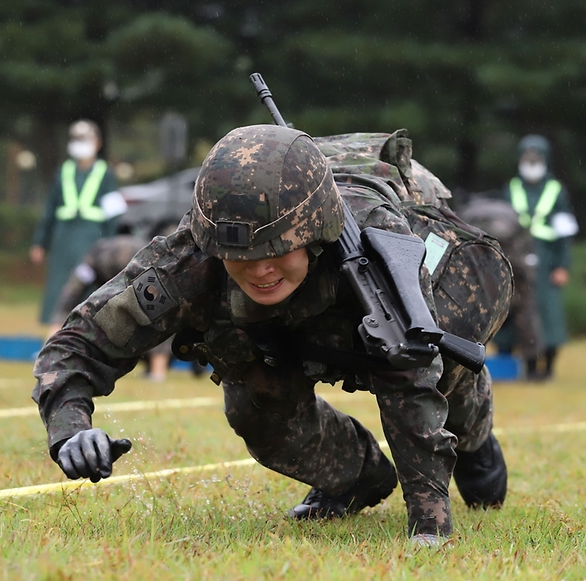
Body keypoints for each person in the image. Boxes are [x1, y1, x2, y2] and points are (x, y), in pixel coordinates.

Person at [32, 125, 513, 546]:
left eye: (277, 251)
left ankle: (474, 441)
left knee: (439, 349)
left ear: (313, 234)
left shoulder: (381, 245)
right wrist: (70, 430)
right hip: (283, 328)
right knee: (252, 404)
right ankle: (357, 477)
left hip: (421, 253)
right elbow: (79, 344)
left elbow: (411, 380)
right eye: (242, 257)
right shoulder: (190, 259)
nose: (261, 270)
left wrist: (429, 523)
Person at [48, 227, 185, 382]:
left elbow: (71, 294)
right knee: (157, 312)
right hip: (138, 267)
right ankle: (157, 372)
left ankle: (52, 356)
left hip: (113, 267)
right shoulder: (143, 246)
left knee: (70, 305)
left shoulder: (100, 249)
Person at [31, 120, 127, 324]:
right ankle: (54, 339)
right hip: (63, 239)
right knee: (58, 288)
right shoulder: (63, 172)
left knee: (89, 289)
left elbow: (114, 215)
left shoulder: (106, 174)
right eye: (76, 140)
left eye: (84, 139)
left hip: (93, 239)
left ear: (97, 143)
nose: (80, 144)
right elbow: (49, 211)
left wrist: (112, 246)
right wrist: (40, 242)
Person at [503, 135, 578, 381]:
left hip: (547, 261)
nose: (531, 163)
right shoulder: (511, 189)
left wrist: (563, 265)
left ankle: (549, 366)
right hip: (516, 261)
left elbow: (565, 233)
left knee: (549, 314)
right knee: (515, 313)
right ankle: (525, 366)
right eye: (527, 158)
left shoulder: (556, 191)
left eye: (536, 159)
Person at [459, 196, 542, 380]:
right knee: (526, 318)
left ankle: (467, 367)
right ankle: (533, 368)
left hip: (483, 276)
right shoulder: (512, 221)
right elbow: (526, 259)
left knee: (474, 319)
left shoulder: (472, 217)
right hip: (514, 275)